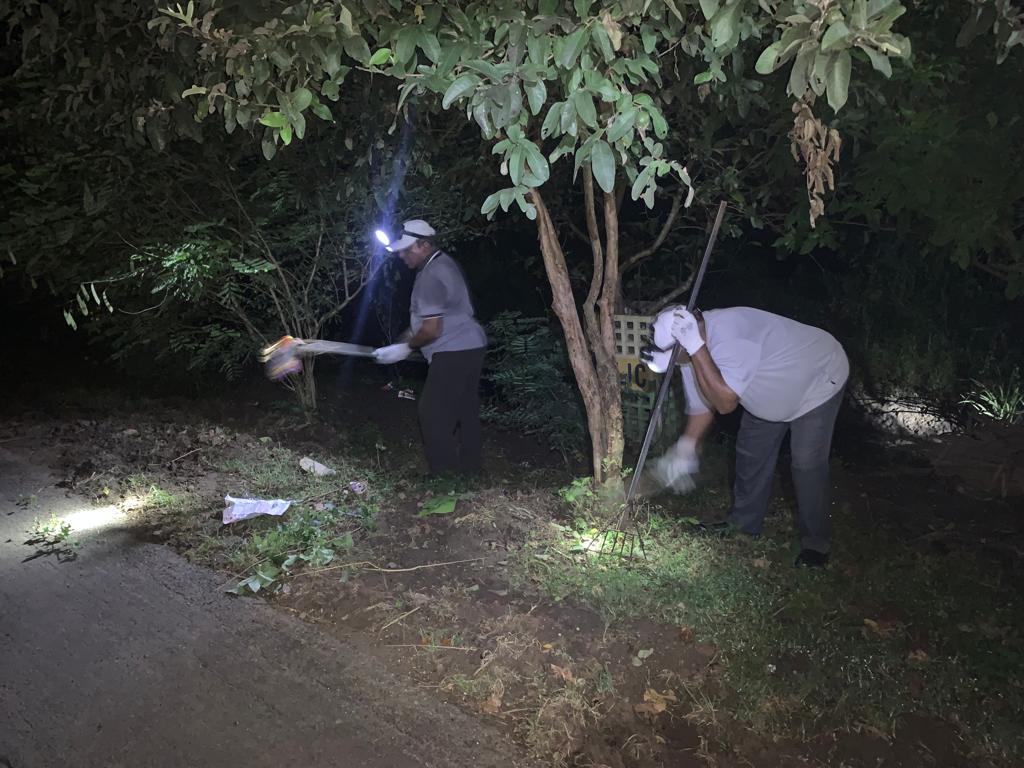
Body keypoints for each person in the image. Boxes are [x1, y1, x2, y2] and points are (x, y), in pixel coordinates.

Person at [642, 306, 849, 567]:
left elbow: (725, 403)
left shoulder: (732, 335)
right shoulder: (692, 351)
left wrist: (695, 350)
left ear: (690, 335)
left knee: (806, 463)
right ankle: (743, 525)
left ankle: (816, 544)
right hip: (769, 390)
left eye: (679, 356)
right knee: (751, 453)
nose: (681, 362)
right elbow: (702, 403)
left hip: (816, 379)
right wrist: (685, 448)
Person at [373, 219, 488, 477]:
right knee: (465, 410)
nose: (402, 255)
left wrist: (405, 348)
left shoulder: (431, 275)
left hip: (453, 351)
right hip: (471, 346)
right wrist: (400, 344)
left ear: (424, 245)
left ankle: (444, 476)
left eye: (407, 249)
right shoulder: (442, 264)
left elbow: (431, 330)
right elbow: (423, 322)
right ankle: (471, 472)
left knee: (432, 413)